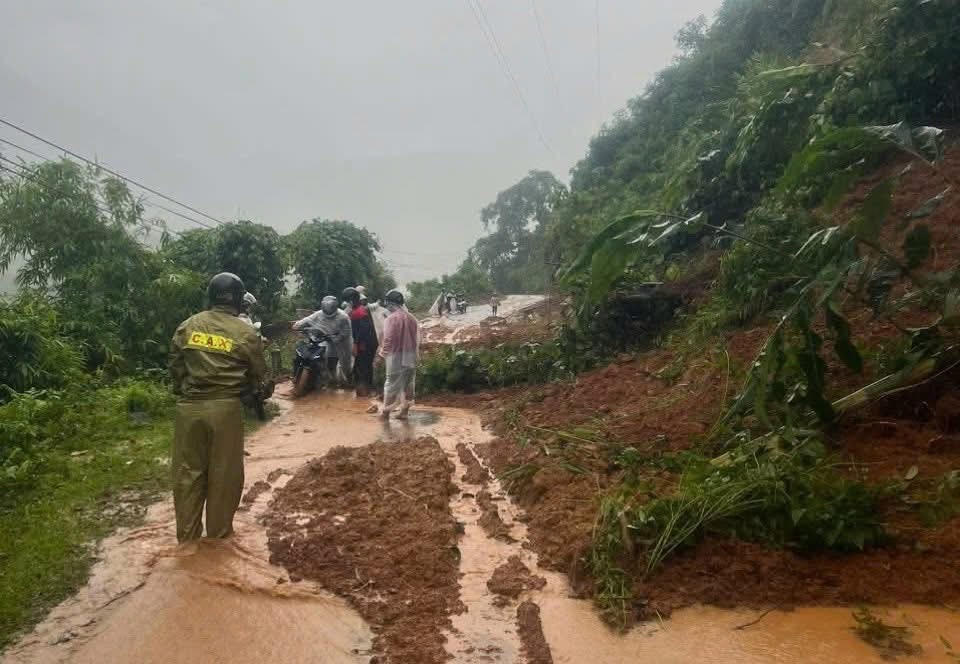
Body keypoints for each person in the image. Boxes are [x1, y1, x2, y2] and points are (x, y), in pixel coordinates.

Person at [168, 272, 266, 542]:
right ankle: (219, 539)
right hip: (225, 410)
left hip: (188, 410)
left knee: (188, 474)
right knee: (224, 475)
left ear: (211, 296)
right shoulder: (246, 332)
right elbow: (258, 373)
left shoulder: (187, 326)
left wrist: (185, 389)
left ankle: (187, 540)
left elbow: (176, 367)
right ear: (238, 299)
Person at [375, 289, 419, 420]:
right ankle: (404, 412)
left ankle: (385, 413)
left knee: (391, 384)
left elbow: (388, 340)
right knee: (409, 383)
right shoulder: (412, 318)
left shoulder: (391, 319)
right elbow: (416, 339)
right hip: (410, 355)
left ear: (390, 303)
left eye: (387, 303)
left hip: (395, 357)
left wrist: (381, 356)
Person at [292, 295, 353, 382]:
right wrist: (297, 324)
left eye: (331, 308)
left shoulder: (343, 317)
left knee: (346, 364)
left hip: (342, 342)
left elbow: (346, 332)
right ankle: (329, 379)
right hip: (324, 340)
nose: (328, 310)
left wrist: (336, 338)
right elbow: (308, 319)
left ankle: (349, 380)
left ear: (335, 307)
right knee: (328, 360)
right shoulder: (319, 314)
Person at [343, 287, 378, 397]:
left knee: (361, 368)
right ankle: (367, 391)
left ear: (351, 300)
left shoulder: (359, 312)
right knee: (366, 367)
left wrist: (355, 345)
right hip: (370, 344)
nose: (347, 303)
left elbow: (362, 331)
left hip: (365, 345)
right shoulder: (363, 309)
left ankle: (363, 393)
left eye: (347, 301)